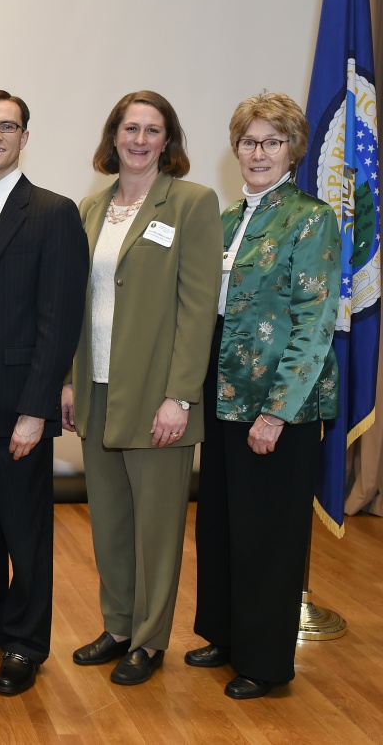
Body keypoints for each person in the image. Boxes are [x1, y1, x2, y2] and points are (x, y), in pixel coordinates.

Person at [185, 92, 340, 700]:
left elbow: (315, 321)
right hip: (223, 394)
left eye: (272, 142)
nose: (258, 152)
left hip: (279, 402)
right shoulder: (226, 219)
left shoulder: (311, 218)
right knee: (223, 524)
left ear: (293, 150)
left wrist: (277, 410)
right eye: (249, 141)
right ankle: (224, 635)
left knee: (268, 536)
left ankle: (265, 661)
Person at [63, 90, 221, 685]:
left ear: (168, 142)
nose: (138, 140)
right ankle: (119, 624)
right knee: (108, 519)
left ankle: (151, 641)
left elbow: (198, 308)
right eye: (129, 128)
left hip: (158, 395)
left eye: (152, 130)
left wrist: (180, 396)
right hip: (99, 390)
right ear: (113, 136)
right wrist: (71, 381)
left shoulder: (192, 204)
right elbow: (77, 304)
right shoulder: (91, 207)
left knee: (156, 529)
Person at [0, 90, 89, 695]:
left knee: (24, 532)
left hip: (17, 408)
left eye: (7, 126)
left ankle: (26, 643)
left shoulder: (53, 213)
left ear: (25, 135)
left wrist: (36, 410)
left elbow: (60, 320)